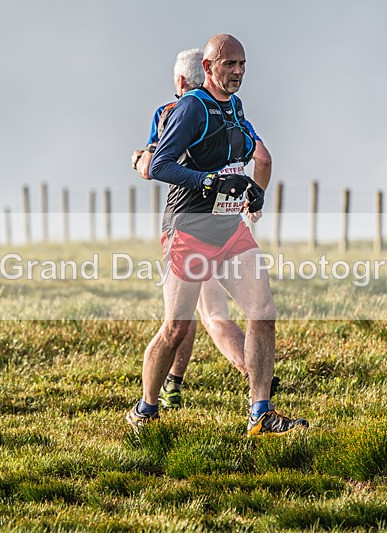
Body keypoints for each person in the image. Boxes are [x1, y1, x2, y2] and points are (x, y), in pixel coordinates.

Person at [126, 34, 308, 435]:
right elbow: (160, 165)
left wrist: (253, 191)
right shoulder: (191, 107)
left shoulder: (235, 107)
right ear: (208, 68)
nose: (238, 72)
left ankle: (260, 412)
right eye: (229, 64)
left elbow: (248, 160)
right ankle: (146, 409)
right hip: (189, 230)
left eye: (242, 65)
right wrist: (207, 181)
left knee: (263, 311)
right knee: (177, 328)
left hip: (229, 229)